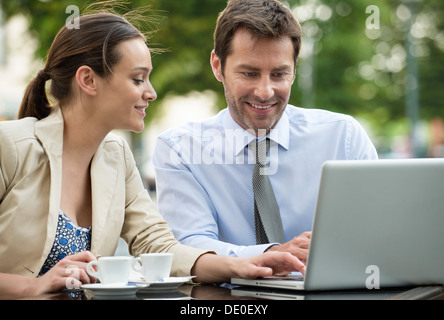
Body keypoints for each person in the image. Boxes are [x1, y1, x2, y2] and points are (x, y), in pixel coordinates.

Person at [0, 10, 304, 299]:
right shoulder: (10, 146)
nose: (151, 92)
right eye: (137, 79)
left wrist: (241, 265)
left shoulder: (116, 157)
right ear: (88, 80)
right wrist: (32, 287)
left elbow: (157, 245)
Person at [152, 0, 378, 261]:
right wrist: (269, 254)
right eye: (249, 73)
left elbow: (376, 230)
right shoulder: (180, 149)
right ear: (217, 66)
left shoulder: (343, 138)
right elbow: (189, 244)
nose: (265, 92)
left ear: (294, 70)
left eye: (279, 74)